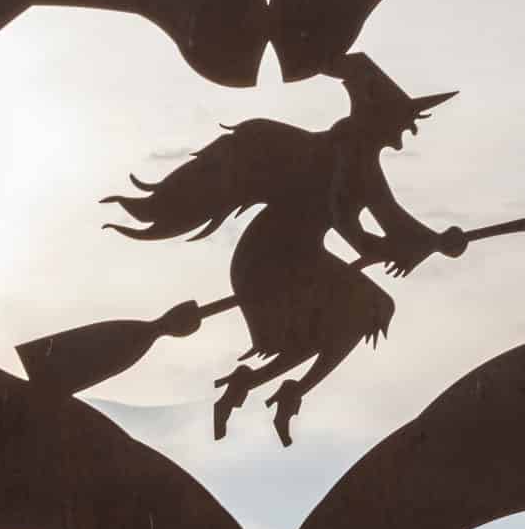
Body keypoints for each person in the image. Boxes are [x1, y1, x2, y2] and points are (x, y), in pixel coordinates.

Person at [102, 53, 467, 445]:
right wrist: (384, 246)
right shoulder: (345, 155)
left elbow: (393, 220)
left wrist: (435, 242)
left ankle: (261, 387)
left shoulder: (363, 161)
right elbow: (345, 219)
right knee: (369, 308)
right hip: (270, 260)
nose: (404, 131)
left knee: (344, 318)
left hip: (296, 257)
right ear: (379, 116)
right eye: (400, 120)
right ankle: (283, 390)